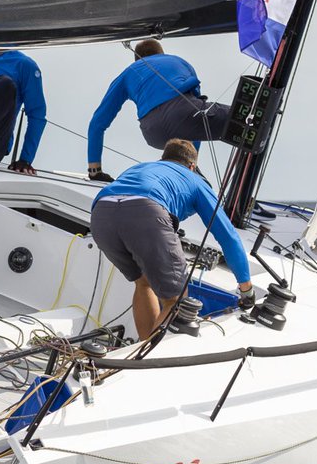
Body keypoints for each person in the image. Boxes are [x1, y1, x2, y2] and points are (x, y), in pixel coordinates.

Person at [89, 139, 253, 340]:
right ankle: (148, 356)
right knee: (176, 300)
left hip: (101, 214)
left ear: (163, 158)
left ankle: (142, 347)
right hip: (146, 212)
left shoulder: (141, 168)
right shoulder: (195, 180)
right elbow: (228, 236)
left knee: (143, 281)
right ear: (192, 166)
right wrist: (246, 290)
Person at [86, 39, 233, 183]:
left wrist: (95, 171)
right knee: (241, 118)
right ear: (162, 53)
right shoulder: (178, 61)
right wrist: (192, 163)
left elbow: (97, 124)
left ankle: (179, 171)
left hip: (153, 133)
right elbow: (197, 113)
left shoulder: (127, 73)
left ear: (136, 59)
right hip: (182, 114)